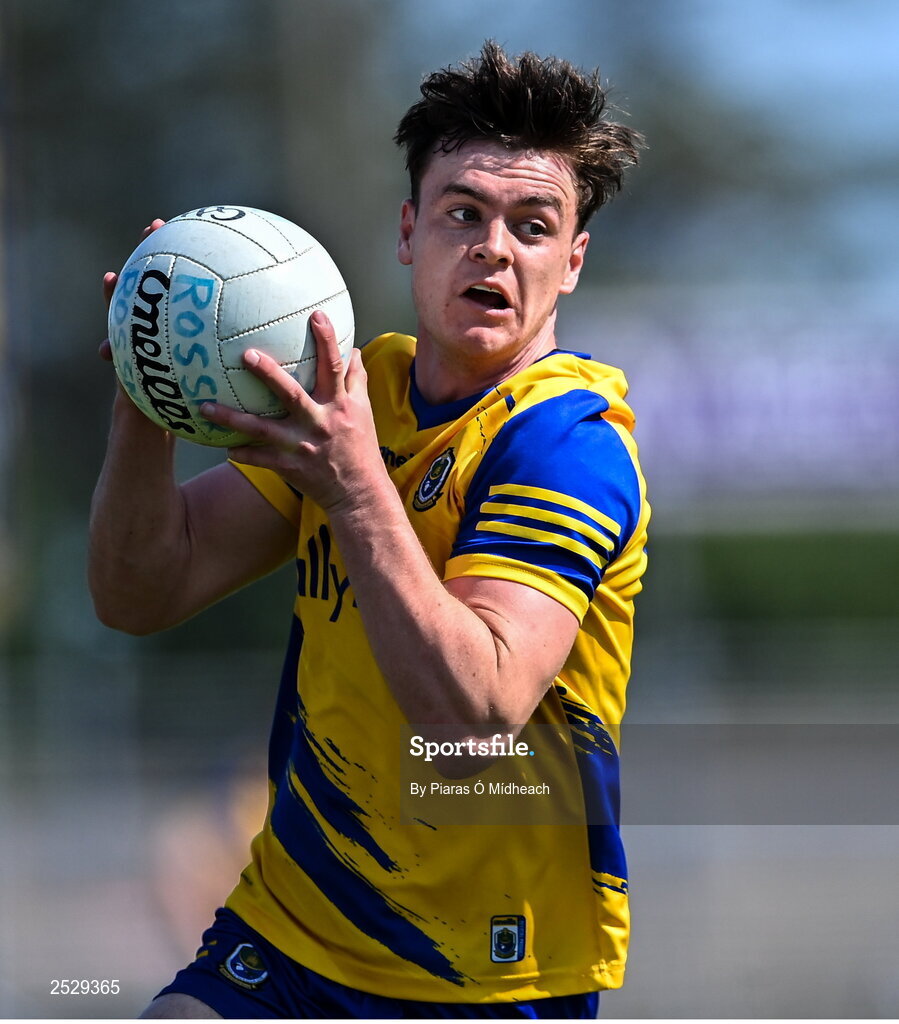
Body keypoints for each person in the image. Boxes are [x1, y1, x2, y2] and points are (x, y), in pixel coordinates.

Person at [90, 40, 649, 1020]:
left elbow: (473, 710)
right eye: (462, 213)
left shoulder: (563, 442)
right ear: (408, 230)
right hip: (288, 931)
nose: (493, 247)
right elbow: (141, 589)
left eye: (532, 224)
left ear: (571, 261)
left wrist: (353, 490)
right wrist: (147, 398)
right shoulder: (357, 397)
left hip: (484, 976)